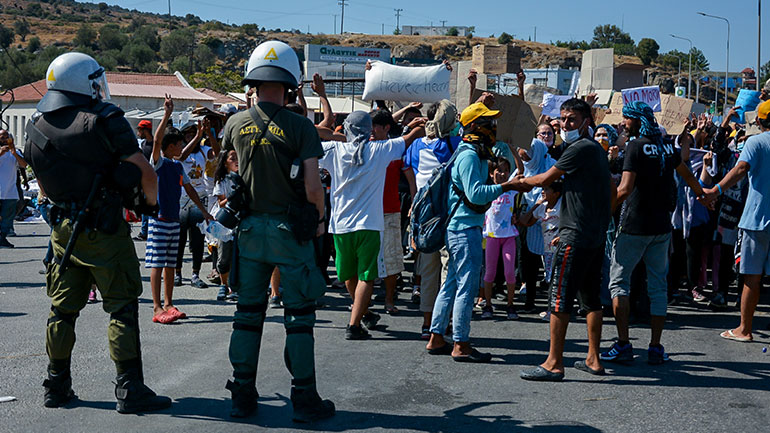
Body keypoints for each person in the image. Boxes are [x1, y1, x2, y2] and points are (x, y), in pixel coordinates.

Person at [24, 52, 170, 413]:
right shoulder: (106, 119)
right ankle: (130, 389)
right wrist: (149, 206)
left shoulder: (36, 123)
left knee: (61, 311)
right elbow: (145, 172)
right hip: (104, 229)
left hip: (62, 231)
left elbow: (40, 179)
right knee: (121, 308)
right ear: (84, 82)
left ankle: (55, 385)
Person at [222, 40, 334, 422]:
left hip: (250, 230)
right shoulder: (301, 126)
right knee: (299, 319)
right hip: (291, 232)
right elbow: (313, 186)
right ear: (292, 83)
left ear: (253, 80)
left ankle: (241, 395)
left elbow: (230, 174)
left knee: (247, 315)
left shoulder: (235, 123)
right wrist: (319, 221)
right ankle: (304, 400)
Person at [600, 101, 708, 366]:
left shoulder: (635, 147)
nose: (624, 123)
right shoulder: (665, 147)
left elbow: (624, 189)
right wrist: (702, 194)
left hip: (633, 226)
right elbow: (685, 172)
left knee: (620, 284)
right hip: (662, 228)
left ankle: (624, 344)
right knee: (658, 288)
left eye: (627, 119)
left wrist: (603, 213)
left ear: (637, 120)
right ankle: (656, 347)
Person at [425, 99, 530, 363]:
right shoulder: (470, 155)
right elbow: (475, 193)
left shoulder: (473, 152)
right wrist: (507, 187)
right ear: (475, 126)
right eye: (488, 122)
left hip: (461, 228)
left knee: (451, 284)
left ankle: (437, 336)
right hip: (465, 229)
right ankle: (461, 343)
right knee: (467, 287)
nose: (493, 127)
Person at [519, 98, 613, 381]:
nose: (565, 124)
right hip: (593, 234)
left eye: (571, 119)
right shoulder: (593, 148)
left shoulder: (582, 147)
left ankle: (553, 363)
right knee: (590, 300)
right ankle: (594, 359)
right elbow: (609, 186)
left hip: (575, 233)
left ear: (586, 122)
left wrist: (515, 183)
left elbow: (546, 178)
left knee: (559, 298)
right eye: (562, 119)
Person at [321, 110, 426, 340]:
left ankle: (361, 315)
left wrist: (337, 136)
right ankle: (354, 325)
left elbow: (311, 133)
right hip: (369, 223)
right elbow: (409, 139)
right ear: (369, 130)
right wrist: (417, 125)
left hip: (340, 224)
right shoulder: (379, 150)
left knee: (349, 274)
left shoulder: (334, 149)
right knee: (366, 276)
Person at [703, 99, 770, 342]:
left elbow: (741, 169)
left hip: (756, 219)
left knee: (751, 276)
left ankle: (745, 329)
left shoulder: (756, 142)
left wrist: (715, 191)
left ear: (760, 121)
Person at [147, 96, 212, 324]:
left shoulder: (177, 166)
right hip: (159, 220)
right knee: (157, 263)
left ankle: (168, 303)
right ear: (168, 147)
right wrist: (167, 115)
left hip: (173, 221)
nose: (180, 148)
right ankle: (156, 307)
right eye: (176, 145)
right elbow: (156, 142)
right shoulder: (159, 163)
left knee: (170, 263)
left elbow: (191, 192)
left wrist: (204, 211)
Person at [404, 99, 460, 339]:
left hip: (423, 217)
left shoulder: (415, 145)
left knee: (427, 271)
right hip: (447, 216)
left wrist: (415, 194)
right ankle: (443, 322)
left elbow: (406, 167)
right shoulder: (451, 143)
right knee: (448, 272)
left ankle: (427, 323)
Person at [175, 119, 216, 289]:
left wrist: (209, 135)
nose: (192, 136)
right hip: (182, 199)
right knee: (179, 239)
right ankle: (177, 273)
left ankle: (195, 274)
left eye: (194, 133)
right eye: (188, 134)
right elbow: (181, 156)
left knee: (198, 240)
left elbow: (218, 153)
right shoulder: (181, 152)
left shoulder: (203, 151)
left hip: (200, 199)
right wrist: (198, 136)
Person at [480, 157, 519, 320]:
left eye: (506, 171)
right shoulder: (487, 191)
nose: (503, 174)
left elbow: (521, 171)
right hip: (491, 237)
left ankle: (510, 305)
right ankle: (487, 304)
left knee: (510, 272)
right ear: (490, 173)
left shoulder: (511, 189)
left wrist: (513, 152)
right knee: (490, 273)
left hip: (509, 236)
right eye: (499, 171)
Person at [212, 149, 239, 301]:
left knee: (239, 254)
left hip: (240, 220)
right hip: (225, 223)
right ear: (225, 163)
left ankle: (234, 286)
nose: (236, 161)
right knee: (224, 256)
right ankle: (223, 284)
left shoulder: (243, 178)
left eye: (237, 158)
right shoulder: (222, 181)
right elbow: (221, 203)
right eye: (232, 158)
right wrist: (232, 197)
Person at [0, 130, 25, 248]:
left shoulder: (15, 152)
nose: (4, 139)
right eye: (2, 137)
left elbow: (24, 165)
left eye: (6, 137)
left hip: (10, 191)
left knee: (8, 218)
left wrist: (14, 153)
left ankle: (3, 237)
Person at [134, 119, 154, 241]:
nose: (138, 133)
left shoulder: (155, 145)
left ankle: (144, 232)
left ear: (145, 130)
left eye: (139, 130)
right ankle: (145, 231)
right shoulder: (143, 144)